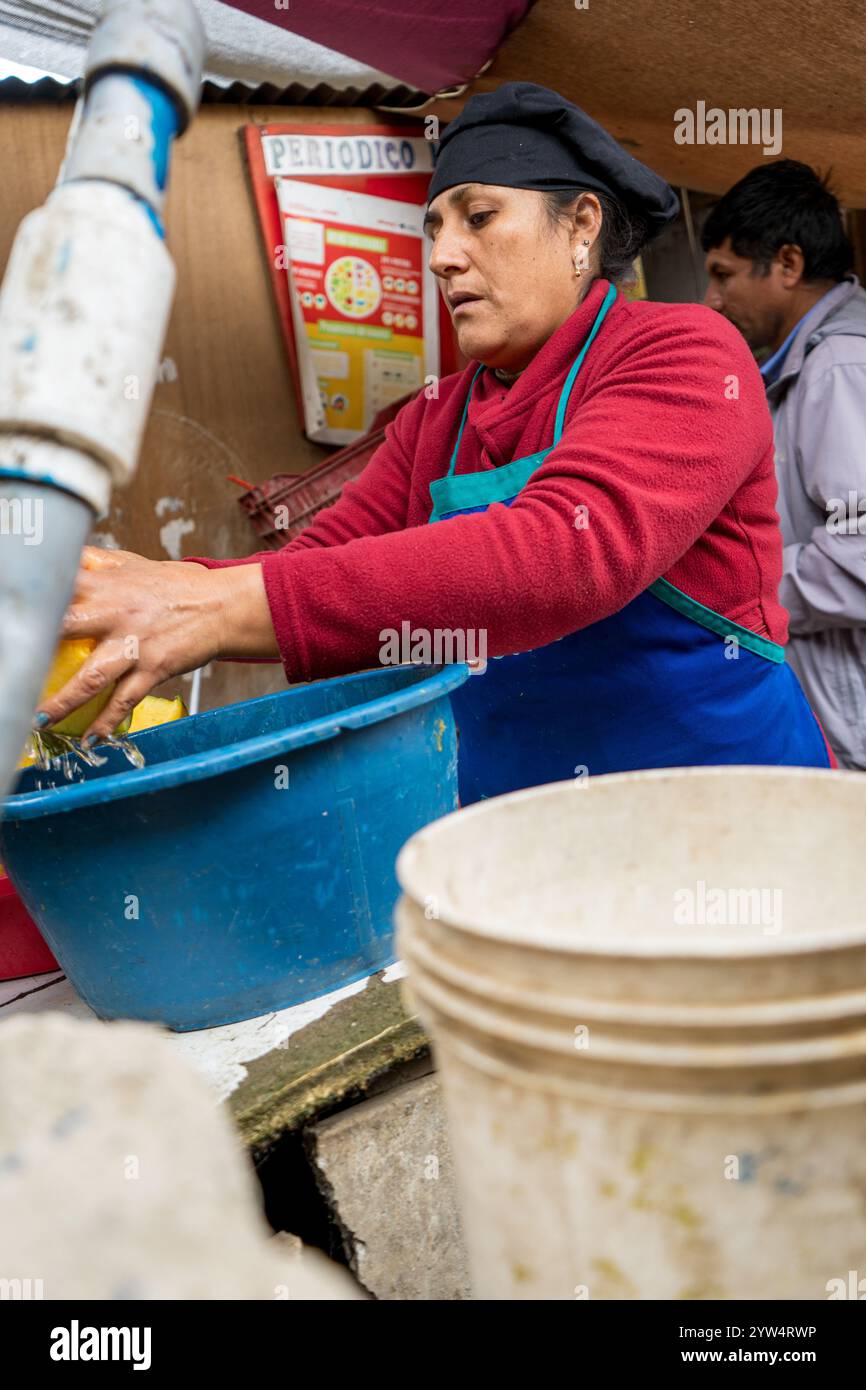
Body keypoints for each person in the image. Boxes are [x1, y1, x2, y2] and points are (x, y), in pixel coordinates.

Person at [35, 83, 835, 804]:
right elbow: (309, 571)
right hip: (522, 840)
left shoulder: (683, 352)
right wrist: (132, 592)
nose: (443, 256)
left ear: (581, 226)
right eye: (435, 227)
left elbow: (567, 550)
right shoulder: (437, 417)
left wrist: (207, 606)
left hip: (728, 822)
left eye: (479, 217)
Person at [702, 159, 866, 769]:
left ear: (788, 265)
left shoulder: (841, 367)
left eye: (725, 274)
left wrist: (736, 587)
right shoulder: (809, 365)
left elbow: (861, 553)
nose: (712, 300)